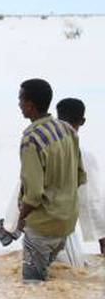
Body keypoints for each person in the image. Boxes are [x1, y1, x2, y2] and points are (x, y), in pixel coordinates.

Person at [15, 79, 86, 281]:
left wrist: (20, 221)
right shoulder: (67, 130)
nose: (19, 104)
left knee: (32, 286)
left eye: (20, 99)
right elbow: (80, 176)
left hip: (42, 226)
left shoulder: (31, 139)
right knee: (49, 283)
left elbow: (34, 194)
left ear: (30, 105)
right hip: (66, 224)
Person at [57, 98, 105, 257]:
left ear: (57, 120)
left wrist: (12, 226)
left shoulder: (43, 152)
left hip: (41, 232)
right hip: (63, 234)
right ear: (82, 121)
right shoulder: (85, 157)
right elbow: (93, 203)